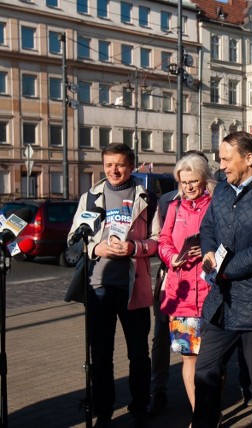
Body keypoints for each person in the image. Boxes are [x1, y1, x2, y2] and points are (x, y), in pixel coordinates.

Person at [192, 131, 252, 428]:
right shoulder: (222, 190)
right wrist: (209, 252)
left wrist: (224, 269)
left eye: (225, 158)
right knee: (205, 371)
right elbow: (208, 225)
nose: (220, 165)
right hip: (220, 302)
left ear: (248, 159)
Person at [68, 143, 158, 428]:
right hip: (98, 288)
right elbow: (74, 240)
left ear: (131, 166)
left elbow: (157, 241)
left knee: (139, 355)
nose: (113, 170)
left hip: (134, 288)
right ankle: (103, 411)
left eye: (119, 165)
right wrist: (96, 248)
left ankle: (140, 407)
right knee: (101, 357)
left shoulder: (147, 198)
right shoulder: (90, 197)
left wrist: (134, 247)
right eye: (108, 165)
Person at [148, 150, 211, 417]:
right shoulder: (173, 207)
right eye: (183, 183)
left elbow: (226, 241)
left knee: (211, 361)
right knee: (189, 357)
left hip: (210, 293)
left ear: (204, 179)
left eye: (193, 182)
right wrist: (172, 257)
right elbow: (163, 240)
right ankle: (199, 416)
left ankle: (211, 411)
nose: (188, 188)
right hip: (181, 295)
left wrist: (207, 249)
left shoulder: (216, 205)